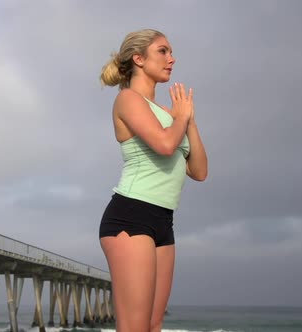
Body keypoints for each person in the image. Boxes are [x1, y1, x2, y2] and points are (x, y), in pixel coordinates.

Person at [98, 29, 208, 332]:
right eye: (163, 51)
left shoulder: (170, 113)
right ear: (139, 59)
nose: (172, 59)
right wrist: (180, 120)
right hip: (130, 217)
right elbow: (164, 144)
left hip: (163, 220)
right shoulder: (128, 100)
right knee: (134, 327)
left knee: (153, 325)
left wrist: (189, 120)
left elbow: (199, 171)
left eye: (171, 52)